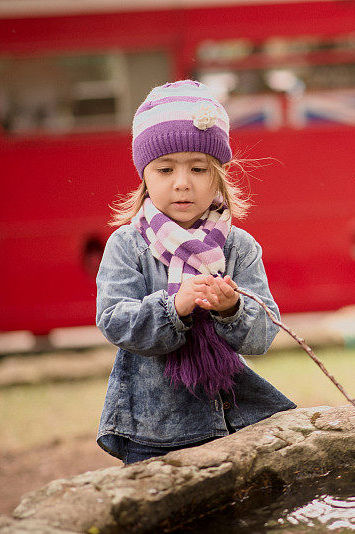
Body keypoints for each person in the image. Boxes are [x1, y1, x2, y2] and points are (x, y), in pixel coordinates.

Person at [95, 80, 296, 466]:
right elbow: (114, 320)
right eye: (165, 169)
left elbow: (263, 335)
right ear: (145, 176)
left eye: (198, 168)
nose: (182, 182)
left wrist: (231, 310)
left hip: (231, 419)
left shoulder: (239, 246)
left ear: (218, 174)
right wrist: (175, 307)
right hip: (153, 431)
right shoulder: (127, 245)